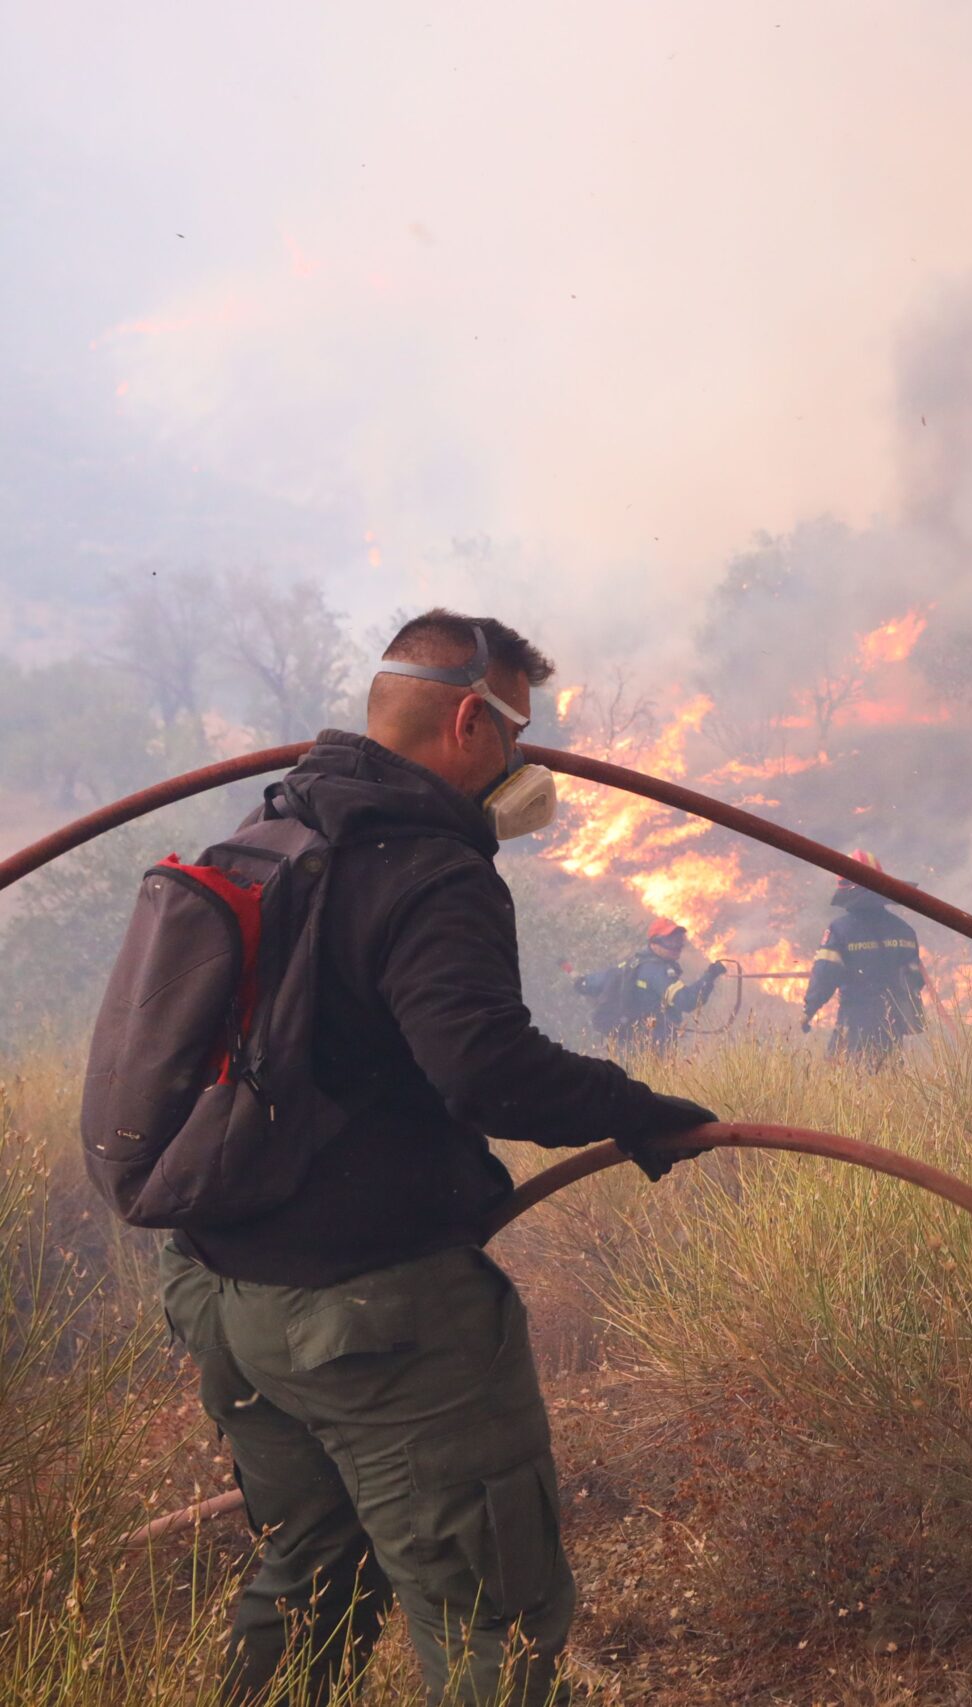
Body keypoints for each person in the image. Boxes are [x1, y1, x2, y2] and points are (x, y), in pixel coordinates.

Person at [154, 610, 718, 1704]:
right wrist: (634, 1107)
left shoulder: (276, 832)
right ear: (470, 720)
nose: (524, 764)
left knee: (312, 1569)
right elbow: (485, 1068)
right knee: (490, 1609)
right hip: (373, 1322)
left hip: (223, 1290)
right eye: (516, 736)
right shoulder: (430, 869)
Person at [801, 853, 928, 1067]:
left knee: (842, 1077)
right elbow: (916, 979)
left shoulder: (840, 930)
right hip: (893, 1022)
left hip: (856, 1017)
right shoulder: (904, 930)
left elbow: (825, 975)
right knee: (888, 1078)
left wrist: (809, 1009)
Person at [577, 917, 728, 1047]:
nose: (677, 946)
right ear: (654, 943)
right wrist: (710, 975)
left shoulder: (633, 964)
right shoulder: (658, 972)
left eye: (679, 941)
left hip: (626, 1045)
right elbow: (687, 1001)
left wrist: (583, 982)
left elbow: (598, 980)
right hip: (652, 1047)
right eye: (670, 941)